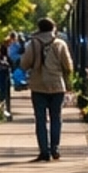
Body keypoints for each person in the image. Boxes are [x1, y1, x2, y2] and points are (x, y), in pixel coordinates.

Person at [25, 16, 74, 161]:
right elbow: (68, 66)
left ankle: (44, 151)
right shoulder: (60, 44)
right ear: (53, 28)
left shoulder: (32, 44)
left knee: (40, 119)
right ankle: (55, 148)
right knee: (56, 118)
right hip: (57, 85)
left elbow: (24, 63)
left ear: (39, 28)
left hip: (38, 85)